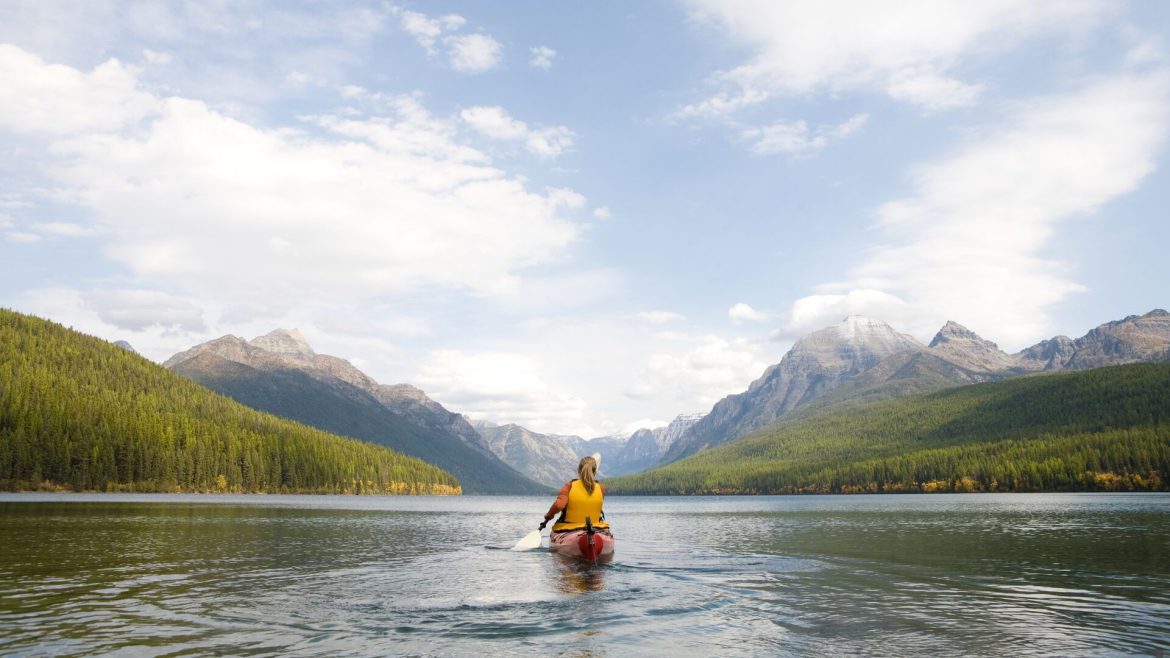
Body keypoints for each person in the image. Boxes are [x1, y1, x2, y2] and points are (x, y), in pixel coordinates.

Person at [540, 454, 610, 536]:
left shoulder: (569, 486)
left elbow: (559, 505)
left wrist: (549, 515)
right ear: (594, 472)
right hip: (596, 528)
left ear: (578, 470)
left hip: (569, 528)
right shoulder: (601, 488)